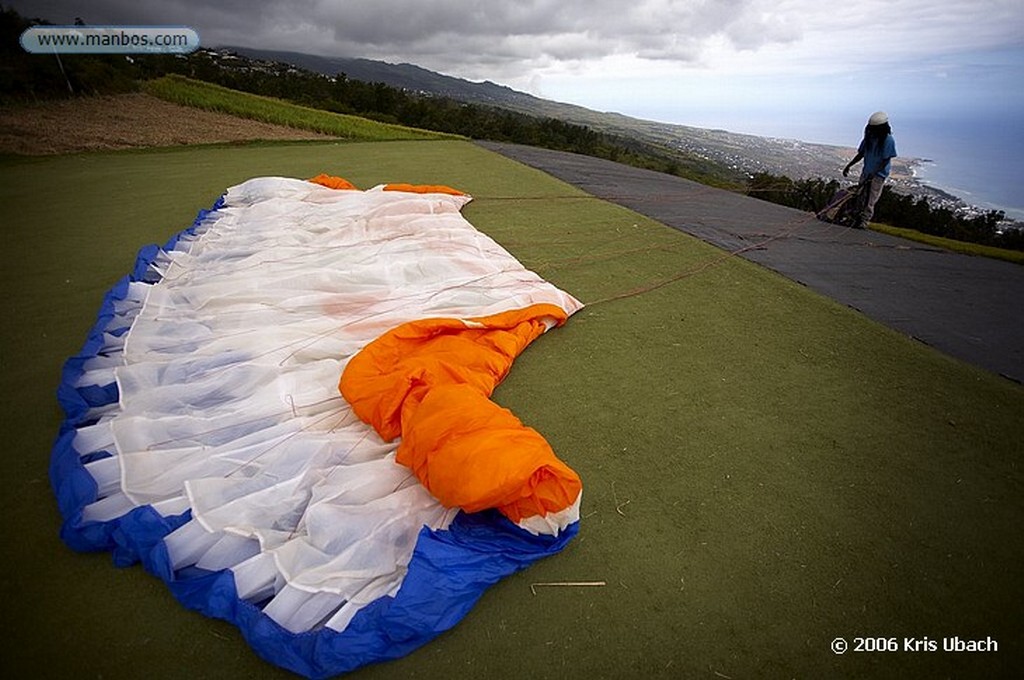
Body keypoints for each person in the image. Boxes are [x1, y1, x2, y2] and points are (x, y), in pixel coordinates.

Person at [843, 111, 897, 229]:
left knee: (871, 198)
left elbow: (885, 161)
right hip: (866, 171)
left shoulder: (888, 140)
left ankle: (864, 221)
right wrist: (849, 165)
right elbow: (861, 153)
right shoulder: (870, 137)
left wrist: (875, 173)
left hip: (879, 175)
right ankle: (855, 217)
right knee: (860, 195)